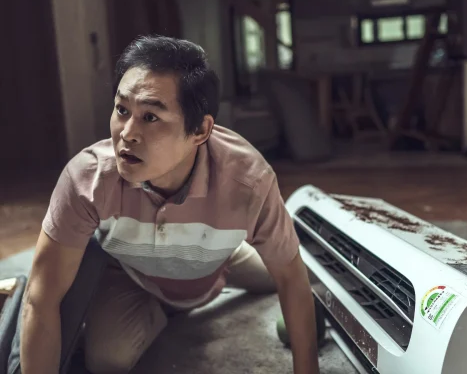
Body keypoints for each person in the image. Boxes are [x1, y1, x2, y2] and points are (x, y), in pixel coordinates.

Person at [19, 35, 319, 374]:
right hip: (132, 274)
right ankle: (160, 310)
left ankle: (220, 268)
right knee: (107, 360)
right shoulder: (87, 179)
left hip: (216, 258)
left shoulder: (248, 181)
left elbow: (291, 279)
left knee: (304, 276)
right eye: (122, 110)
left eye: (150, 117)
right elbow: (40, 299)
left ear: (200, 130)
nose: (127, 133)